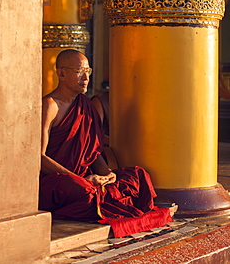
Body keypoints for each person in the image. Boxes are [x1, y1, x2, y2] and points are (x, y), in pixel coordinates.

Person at [39, 49, 178, 238]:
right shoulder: (50, 105)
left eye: (88, 71)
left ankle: (100, 193)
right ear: (61, 73)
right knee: (81, 188)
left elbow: (93, 152)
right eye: (79, 71)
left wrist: (107, 174)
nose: (86, 77)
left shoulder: (85, 106)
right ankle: (99, 195)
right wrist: (80, 179)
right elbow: (39, 157)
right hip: (59, 180)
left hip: (87, 178)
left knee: (137, 175)